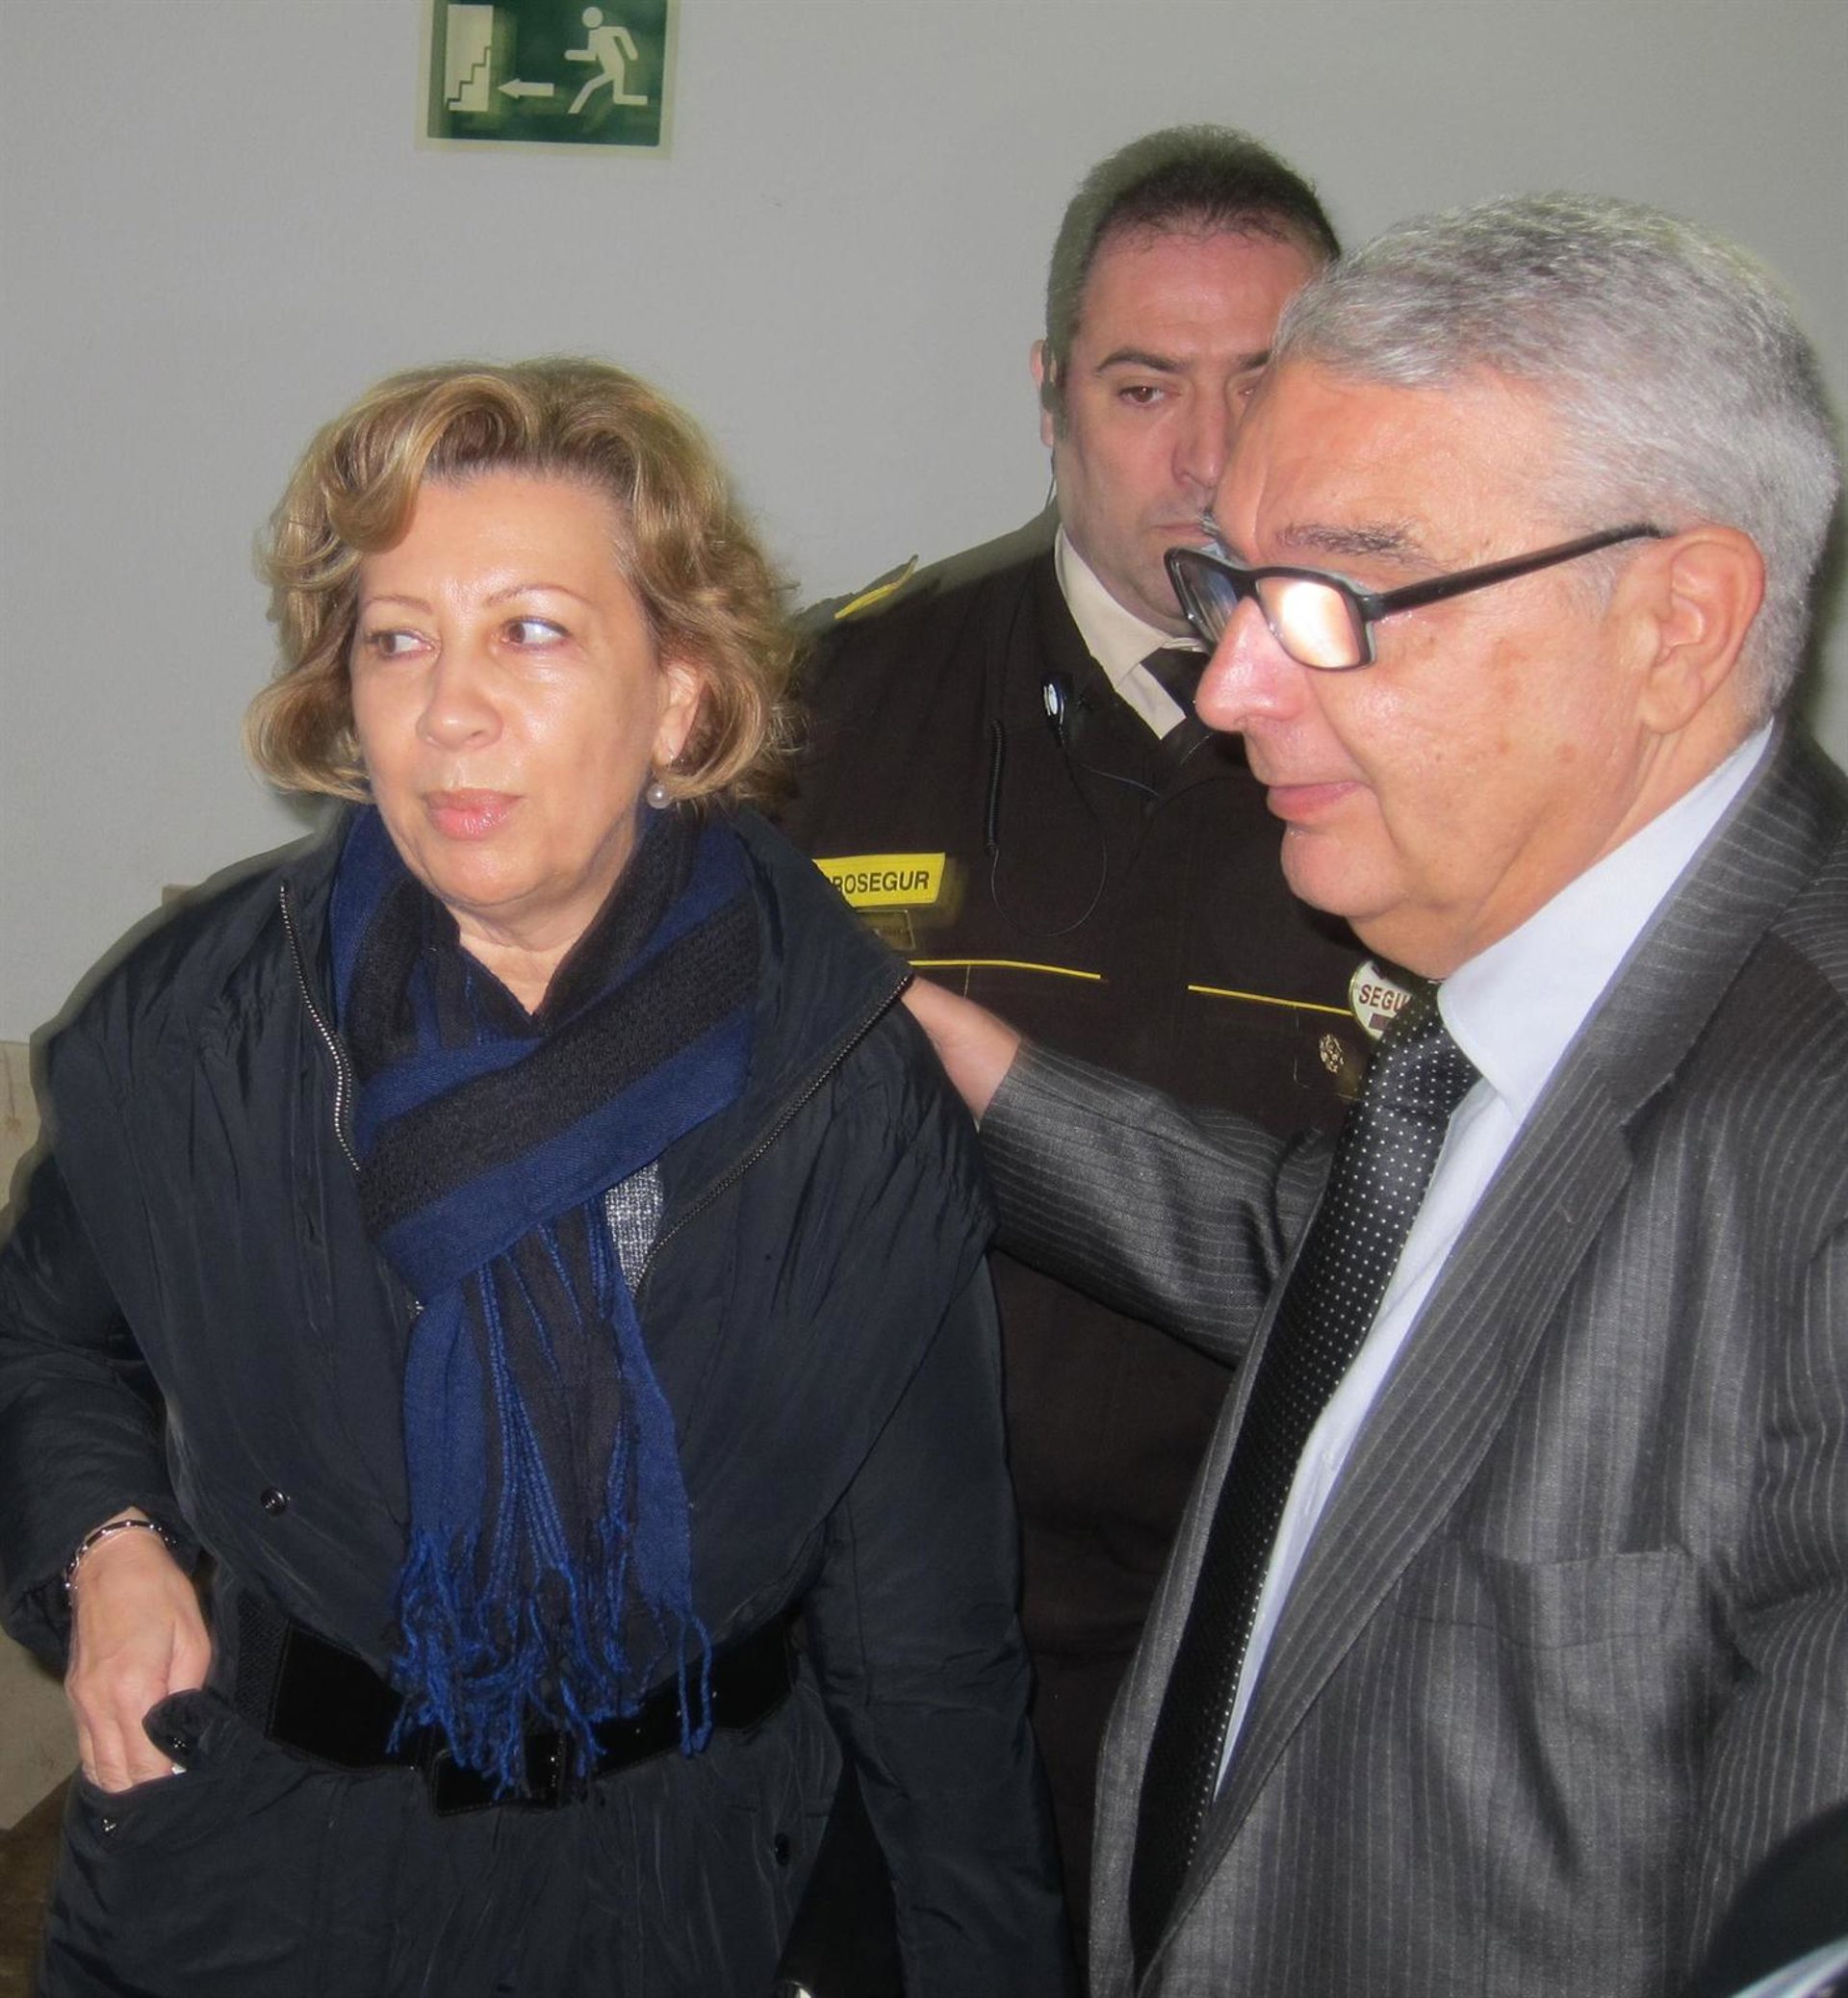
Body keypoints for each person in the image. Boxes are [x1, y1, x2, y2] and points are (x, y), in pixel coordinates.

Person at [0, 359, 1073, 1998]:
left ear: (682, 699)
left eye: (533, 631)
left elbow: (926, 1648)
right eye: (398, 639)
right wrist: (110, 1543)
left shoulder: (841, 1083)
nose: (451, 709)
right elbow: (43, 1334)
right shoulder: (198, 1025)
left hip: (687, 1899)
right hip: (252, 1891)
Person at [905, 192, 1848, 1995]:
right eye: (1236, 588)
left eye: (1334, 598)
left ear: (1678, 622)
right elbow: (1374, 1283)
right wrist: (957, 1066)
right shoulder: (1531, 999)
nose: (1232, 684)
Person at [777, 125, 1365, 1936]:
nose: (1210, 458)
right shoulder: (823, 707)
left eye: (1264, 383)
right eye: (1143, 387)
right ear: (1051, 400)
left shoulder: (1445, 747)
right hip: (865, 1665)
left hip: (1272, 1666)